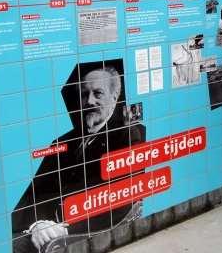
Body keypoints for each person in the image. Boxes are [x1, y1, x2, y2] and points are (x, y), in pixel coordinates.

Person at [11, 60, 145, 252]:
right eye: (84, 94)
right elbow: (32, 194)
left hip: (79, 235)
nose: (89, 101)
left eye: (97, 93)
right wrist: (37, 224)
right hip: (42, 231)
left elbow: (122, 199)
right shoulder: (62, 142)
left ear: (114, 97)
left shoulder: (128, 136)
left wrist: (64, 230)